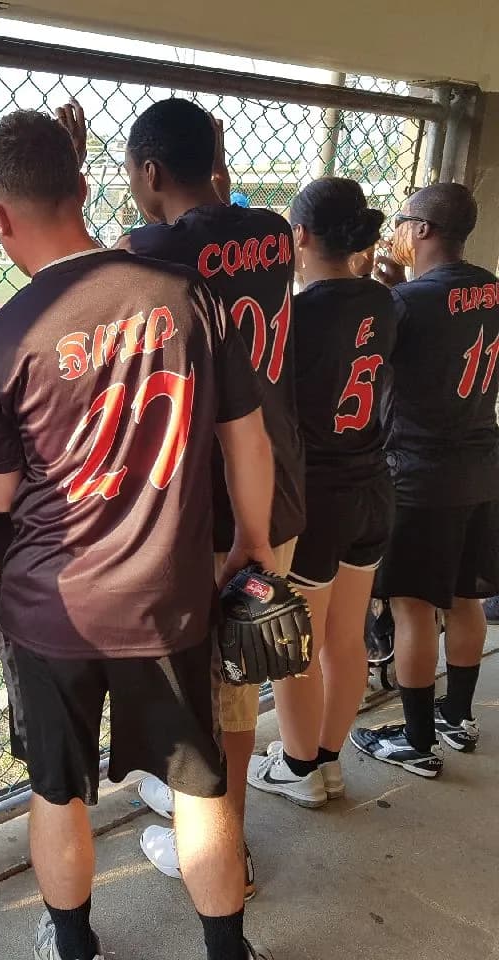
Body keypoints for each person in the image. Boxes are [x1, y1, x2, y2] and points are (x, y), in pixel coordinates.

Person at [0, 108, 277, 960]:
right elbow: (246, 439)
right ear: (83, 187)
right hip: (168, 598)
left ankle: (72, 944)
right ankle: (226, 951)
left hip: (50, 606)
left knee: (58, 792)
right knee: (199, 788)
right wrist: (251, 542)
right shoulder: (185, 295)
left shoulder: (0, 339)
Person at [86, 96, 303, 899]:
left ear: (148, 171)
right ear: (216, 161)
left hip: (204, 502)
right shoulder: (275, 231)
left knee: (219, 692)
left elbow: (102, 272)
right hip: (275, 482)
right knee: (236, 679)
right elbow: (222, 224)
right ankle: (207, 807)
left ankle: (223, 845)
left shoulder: (146, 251)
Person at [245, 178, 395, 806]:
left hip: (317, 495)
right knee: (348, 636)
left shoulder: (295, 316)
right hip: (372, 484)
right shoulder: (388, 301)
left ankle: (301, 769)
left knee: (297, 645)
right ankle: (328, 758)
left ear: (298, 235)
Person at [352, 182, 499, 774]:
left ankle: (416, 742)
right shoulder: (490, 286)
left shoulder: (407, 302)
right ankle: (457, 717)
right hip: (482, 464)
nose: (396, 231)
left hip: (420, 473)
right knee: (466, 597)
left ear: (422, 230)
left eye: (402, 220)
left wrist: (379, 291)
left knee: (414, 609)